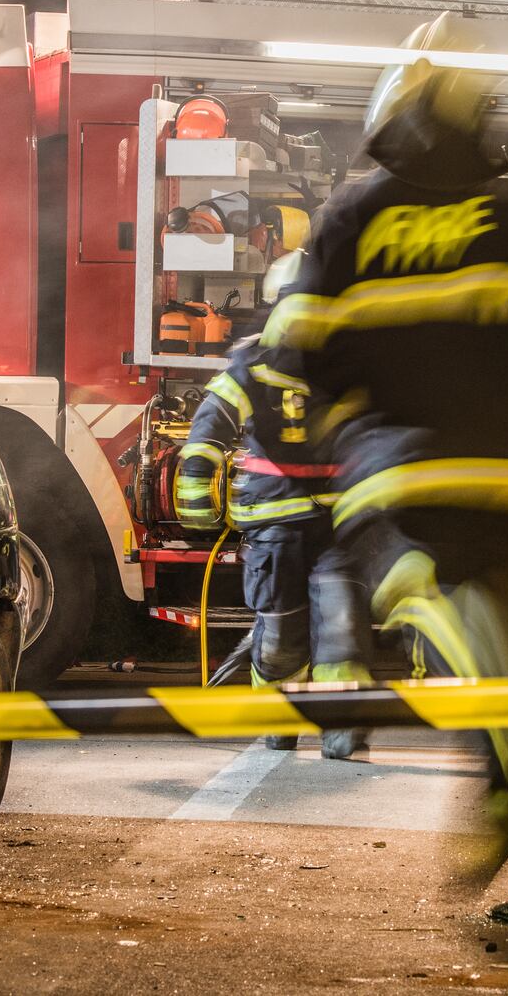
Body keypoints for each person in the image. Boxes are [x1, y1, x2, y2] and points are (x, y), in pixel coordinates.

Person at [265, 15, 508, 858]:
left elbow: (296, 346)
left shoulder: (351, 218)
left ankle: (486, 695)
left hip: (407, 473)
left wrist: (346, 421)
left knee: (405, 579)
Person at [174, 252, 369, 759]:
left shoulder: (354, 364)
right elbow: (211, 422)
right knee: (282, 632)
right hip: (276, 519)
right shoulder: (251, 362)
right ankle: (278, 720)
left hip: (337, 522)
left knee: (343, 622)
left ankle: (340, 722)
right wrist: (196, 489)